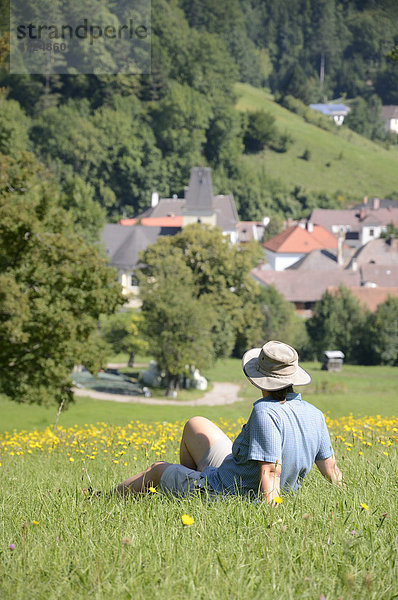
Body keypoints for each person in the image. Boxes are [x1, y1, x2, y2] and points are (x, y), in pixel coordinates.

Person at [113, 341, 342, 503]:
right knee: (196, 424)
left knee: (156, 470)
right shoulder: (315, 414)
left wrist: (273, 521)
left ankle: (105, 499)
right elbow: (330, 469)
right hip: (236, 473)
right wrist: (344, 494)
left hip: (228, 493)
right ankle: (187, 482)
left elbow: (270, 472)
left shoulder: (265, 412)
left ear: (260, 378)